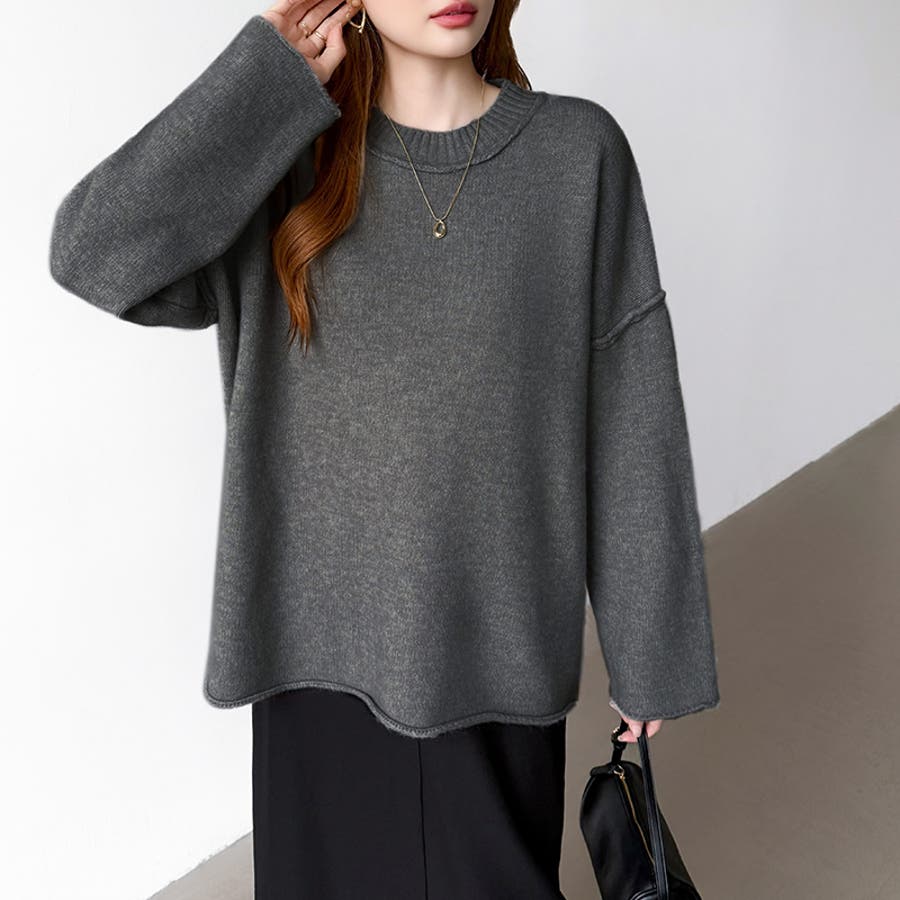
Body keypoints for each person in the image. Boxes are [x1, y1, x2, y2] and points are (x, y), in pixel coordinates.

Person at [48, 0, 721, 896]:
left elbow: (630, 404)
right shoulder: (280, 161)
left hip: (499, 657)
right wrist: (264, 82)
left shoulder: (575, 154)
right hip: (314, 668)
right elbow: (94, 254)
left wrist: (650, 648)